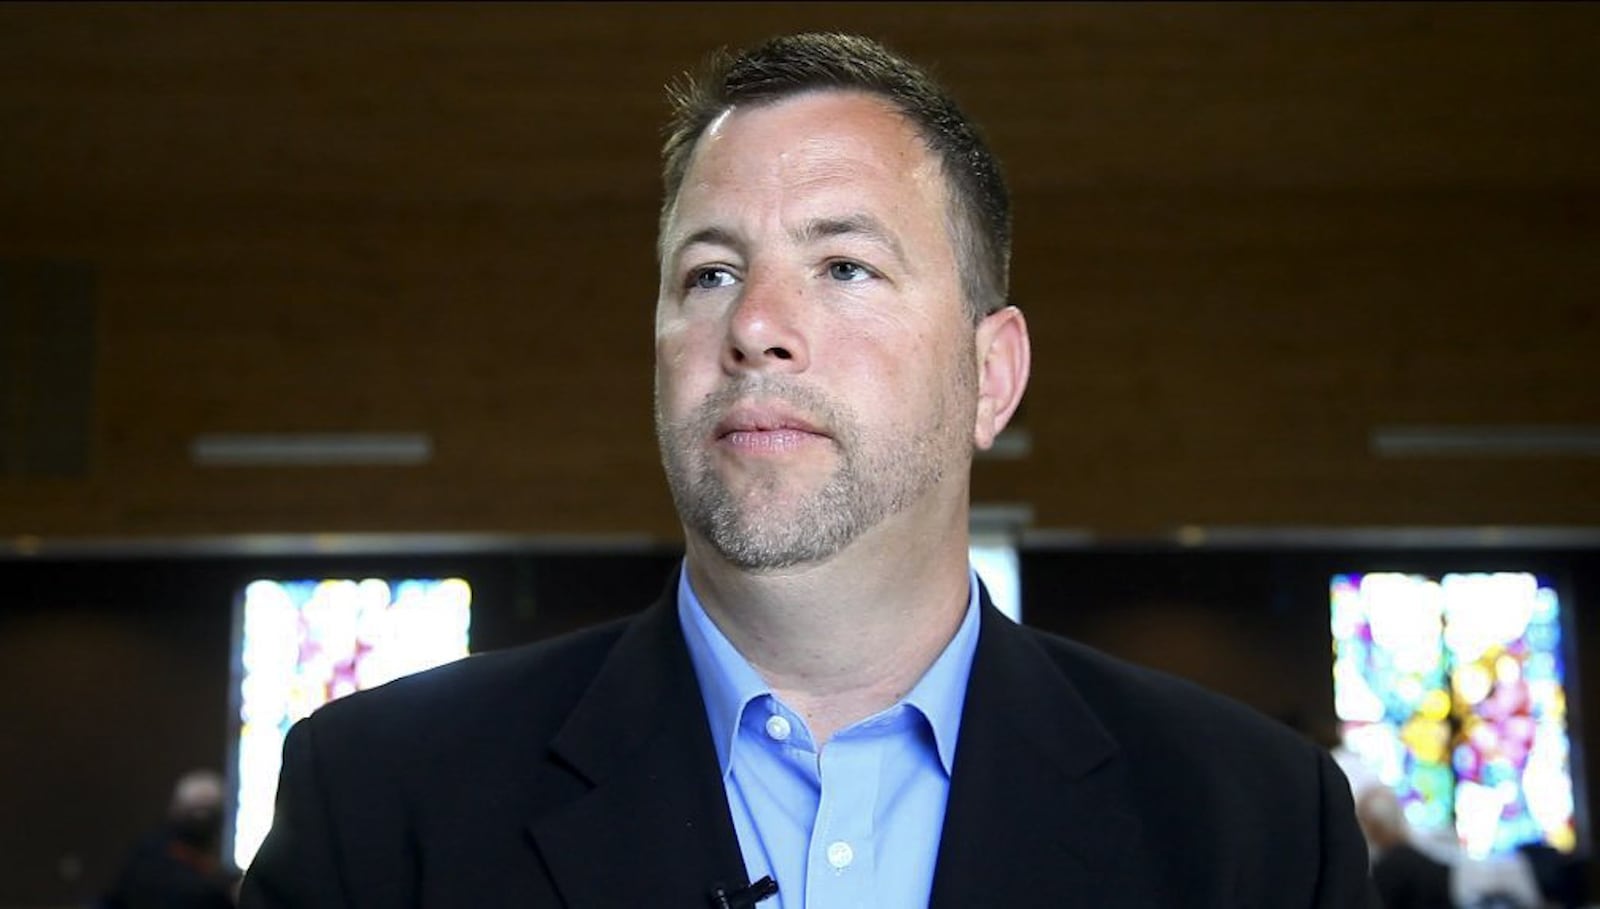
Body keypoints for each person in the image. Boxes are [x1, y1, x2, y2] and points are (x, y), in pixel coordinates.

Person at [239, 33, 1376, 908]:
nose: (758, 328)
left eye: (843, 264)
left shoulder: (1256, 827)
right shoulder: (383, 805)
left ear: (990, 375)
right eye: (709, 275)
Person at [102, 769, 239, 909]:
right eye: (197, 811)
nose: (201, 818)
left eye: (208, 813)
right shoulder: (151, 860)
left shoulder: (144, 855)